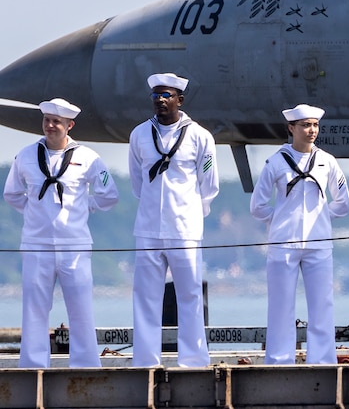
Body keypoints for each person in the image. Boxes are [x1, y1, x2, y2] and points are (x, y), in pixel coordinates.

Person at [3, 98, 119, 368]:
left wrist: (85, 206)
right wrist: (36, 212)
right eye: (47, 120)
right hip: (36, 243)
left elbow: (108, 194)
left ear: (69, 125)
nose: (50, 125)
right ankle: (32, 365)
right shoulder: (26, 155)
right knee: (34, 309)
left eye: (57, 121)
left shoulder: (88, 158)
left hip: (74, 244)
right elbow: (12, 193)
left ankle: (86, 364)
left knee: (80, 309)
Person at [129, 73, 219, 368]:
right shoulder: (139, 134)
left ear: (180, 99)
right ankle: (145, 361)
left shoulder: (200, 136)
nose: (160, 101)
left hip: (185, 228)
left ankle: (193, 360)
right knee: (145, 297)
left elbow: (209, 184)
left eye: (166, 95)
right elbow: (137, 183)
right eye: (156, 95)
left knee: (190, 295)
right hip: (149, 228)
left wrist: (191, 211)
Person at [250, 104, 349, 365]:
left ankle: (322, 361)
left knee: (322, 307)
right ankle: (279, 361)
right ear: (291, 128)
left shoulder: (327, 161)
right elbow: (258, 206)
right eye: (306, 125)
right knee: (281, 308)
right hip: (283, 244)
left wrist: (322, 217)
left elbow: (343, 202)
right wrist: (282, 219)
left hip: (319, 244)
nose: (312, 130)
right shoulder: (275, 162)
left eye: (315, 125)